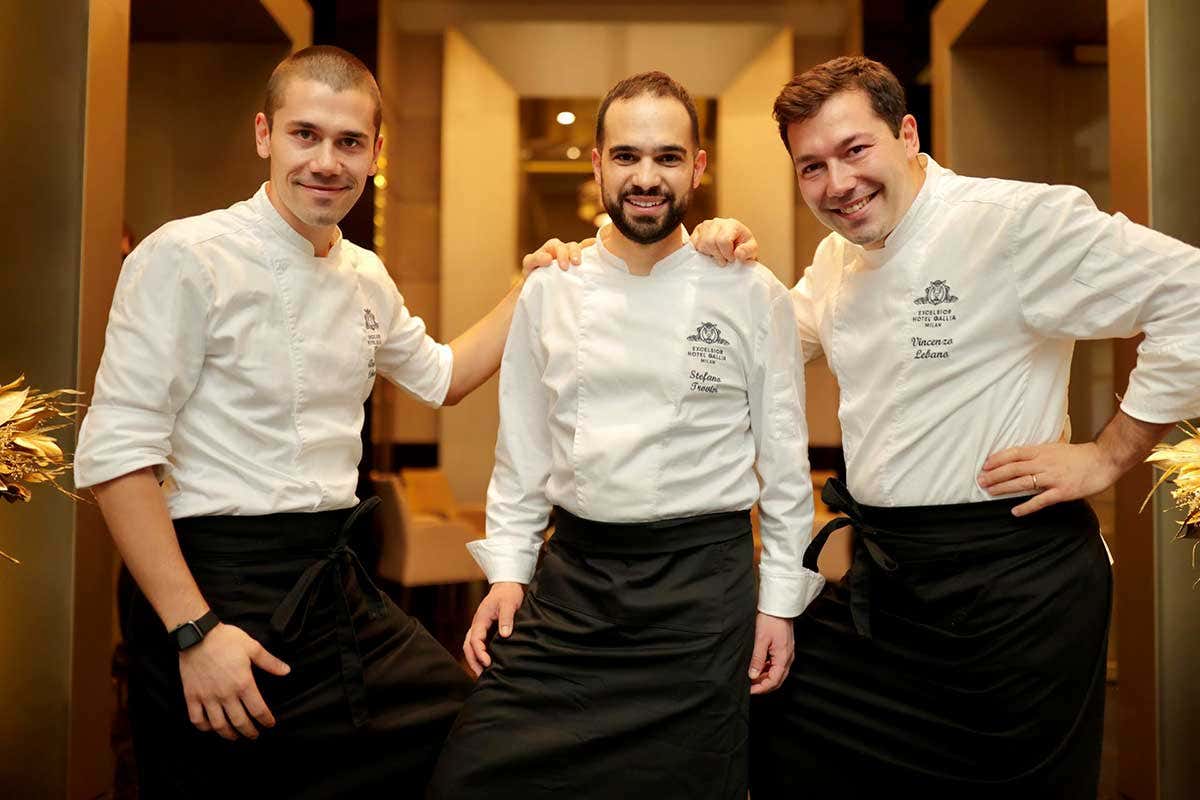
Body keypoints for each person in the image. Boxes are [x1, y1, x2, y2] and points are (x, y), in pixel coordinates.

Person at [675, 56, 1199, 796]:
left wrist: (1111, 454)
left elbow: (1192, 296)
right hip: (889, 583)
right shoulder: (836, 260)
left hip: (1015, 585)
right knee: (776, 723)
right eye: (811, 167)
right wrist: (705, 275)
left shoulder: (1014, 223)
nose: (838, 184)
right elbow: (745, 360)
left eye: (855, 150)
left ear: (907, 133)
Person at [75, 45, 547, 798]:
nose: (326, 161)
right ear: (265, 134)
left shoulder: (364, 273)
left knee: (473, 729)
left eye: (349, 142)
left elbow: (443, 376)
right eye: (306, 135)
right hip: (212, 587)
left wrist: (533, 285)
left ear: (375, 153)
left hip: (333, 585)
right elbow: (114, 457)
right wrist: (193, 632)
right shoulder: (185, 256)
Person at [426, 71, 824, 800]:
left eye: (668, 157)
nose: (647, 177)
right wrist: (509, 572)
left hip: (703, 594)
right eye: (627, 157)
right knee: (472, 778)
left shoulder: (749, 289)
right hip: (576, 582)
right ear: (597, 164)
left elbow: (786, 465)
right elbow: (521, 455)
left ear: (698, 168)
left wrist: (780, 603)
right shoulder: (549, 288)